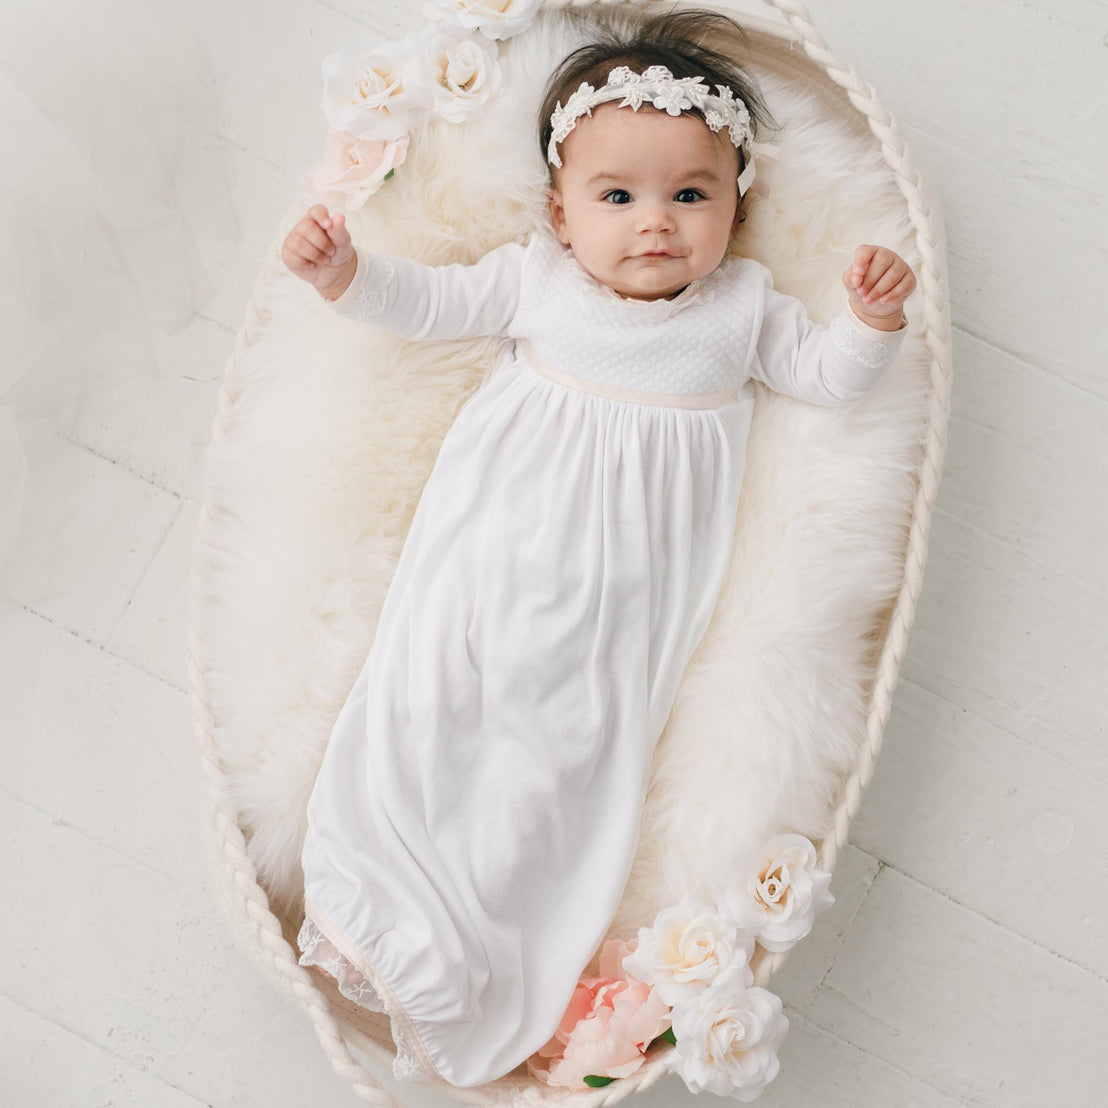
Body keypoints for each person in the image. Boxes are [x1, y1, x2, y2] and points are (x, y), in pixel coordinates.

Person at [281, 8, 916, 1092]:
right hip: (492, 558)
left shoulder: (743, 311)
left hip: (623, 607)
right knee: (434, 697)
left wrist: (863, 322)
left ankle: (485, 954)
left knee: (561, 761)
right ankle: (374, 898)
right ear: (560, 212)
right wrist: (346, 275)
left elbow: (826, 379)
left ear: (736, 204)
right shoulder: (536, 279)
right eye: (616, 197)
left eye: (690, 194)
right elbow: (429, 303)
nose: (654, 224)